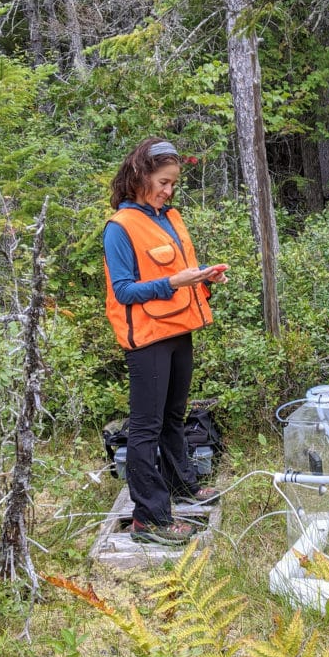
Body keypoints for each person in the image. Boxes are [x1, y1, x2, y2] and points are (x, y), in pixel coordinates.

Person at [103, 137, 229, 545]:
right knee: (145, 427)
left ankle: (181, 486)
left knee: (175, 417)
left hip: (178, 330)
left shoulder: (169, 217)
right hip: (148, 340)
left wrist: (204, 274)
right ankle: (150, 518)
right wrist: (172, 282)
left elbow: (181, 268)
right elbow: (123, 291)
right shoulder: (120, 228)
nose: (168, 190)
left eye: (173, 183)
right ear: (139, 176)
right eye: (162, 181)